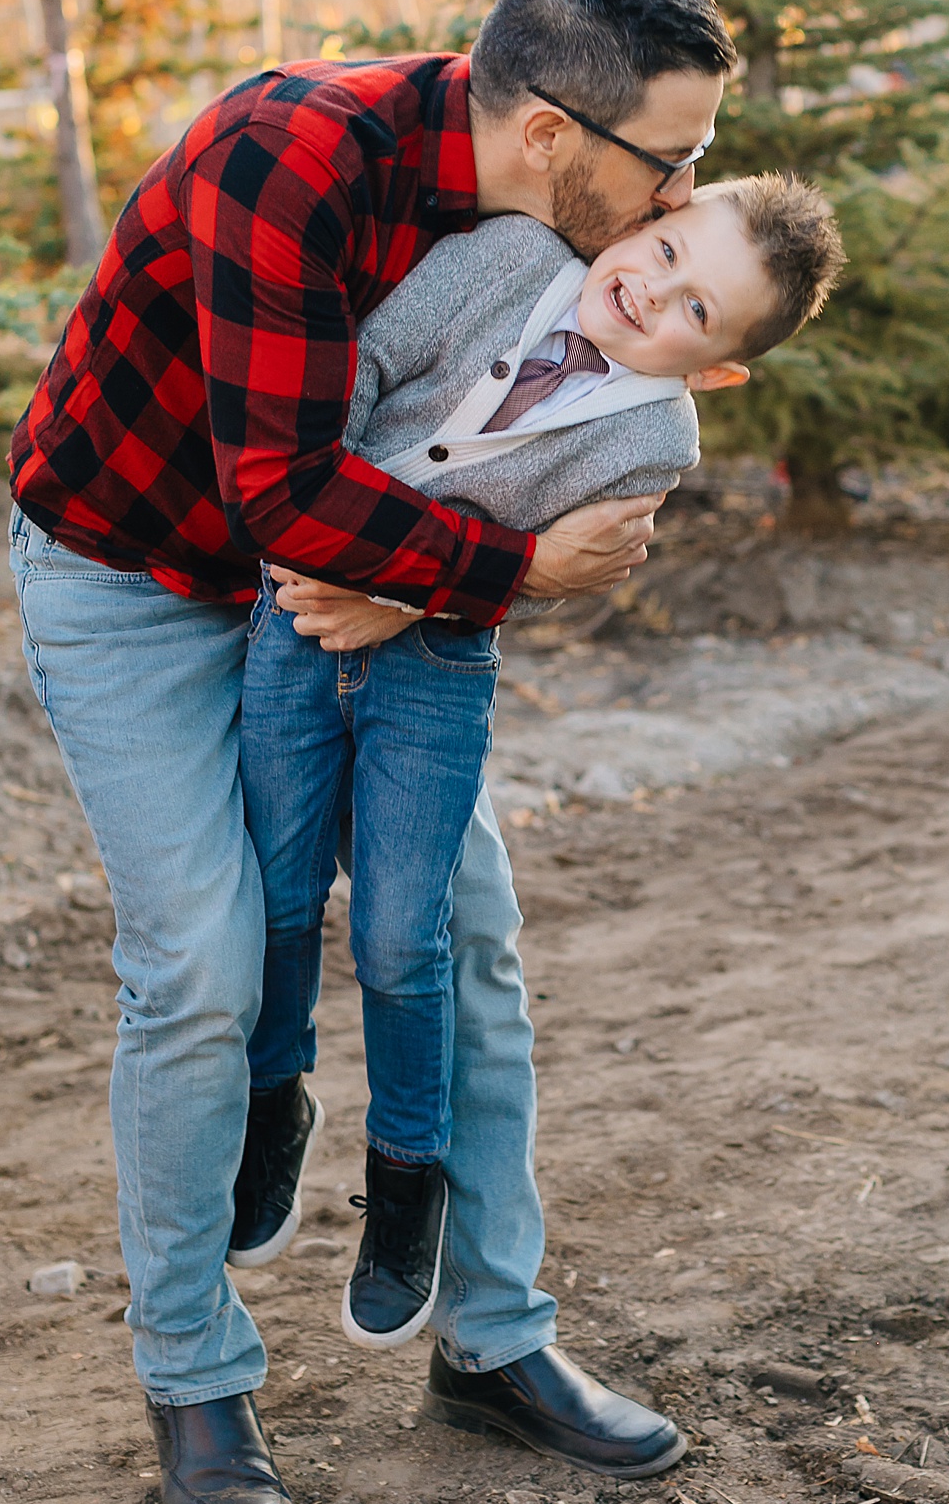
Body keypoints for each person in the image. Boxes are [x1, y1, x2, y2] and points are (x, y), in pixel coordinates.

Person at [7, 0, 736, 1504]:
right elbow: (280, 489)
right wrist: (521, 570)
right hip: (140, 571)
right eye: (670, 157)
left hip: (356, 599)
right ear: (552, 130)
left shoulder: (558, 229)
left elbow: (508, 443)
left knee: (462, 934)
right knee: (199, 956)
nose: (689, 189)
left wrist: (578, 518)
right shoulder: (295, 159)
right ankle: (194, 1367)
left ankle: (492, 1333)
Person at [238, 177, 844, 1360]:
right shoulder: (504, 257)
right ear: (641, 216)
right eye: (665, 247)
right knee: (274, 895)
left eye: (695, 310)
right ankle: (275, 1099)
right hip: (296, 619)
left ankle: (408, 1175)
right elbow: (345, 382)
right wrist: (357, 560)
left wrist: (399, 587)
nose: (652, 287)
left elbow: (558, 573)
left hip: (436, 676)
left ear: (716, 368)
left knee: (408, 936)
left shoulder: (653, 438)